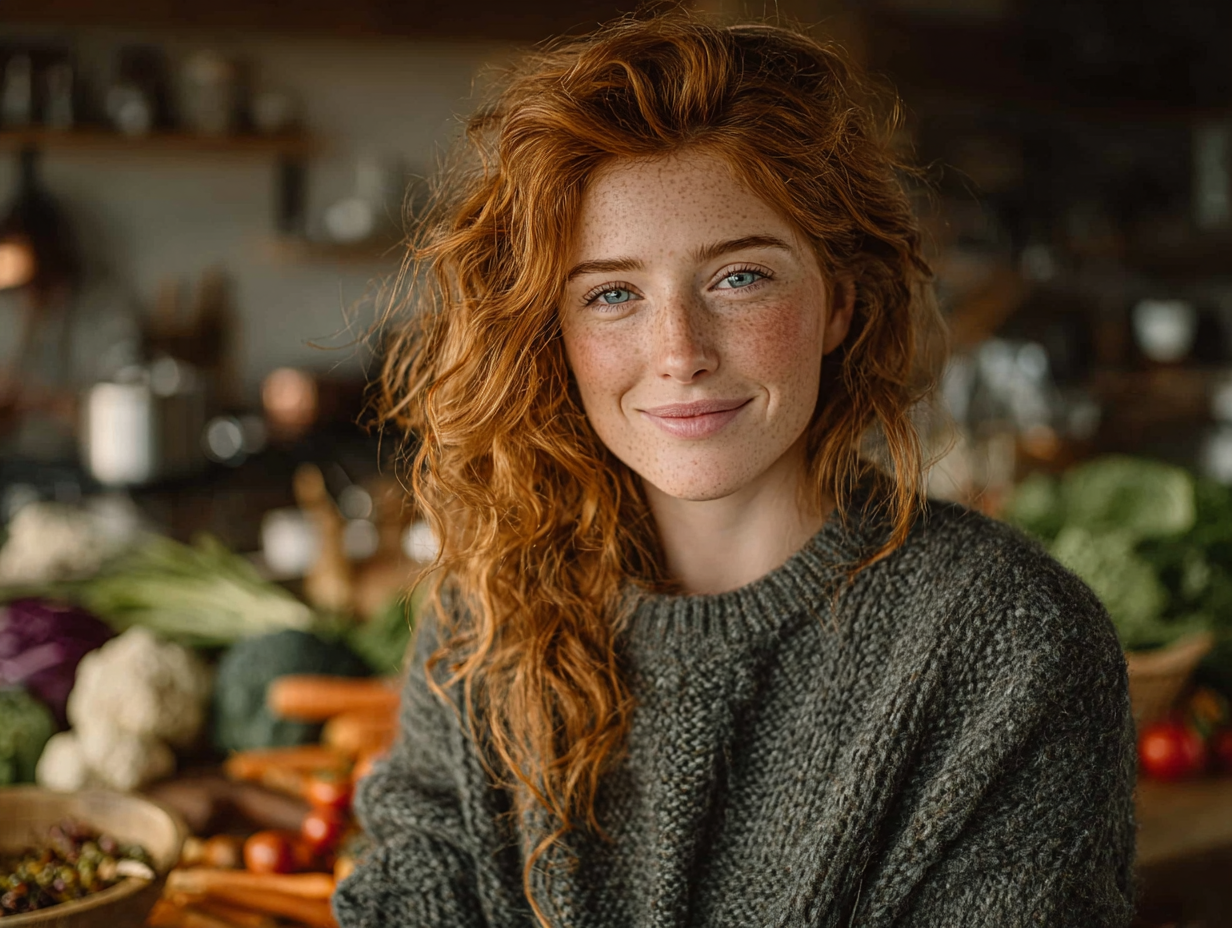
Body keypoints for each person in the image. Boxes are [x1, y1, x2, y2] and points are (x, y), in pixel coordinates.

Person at [334, 11, 1136, 928]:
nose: (679, 353)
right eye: (612, 294)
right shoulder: (489, 604)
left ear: (840, 300)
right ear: (553, 334)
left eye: (739, 277)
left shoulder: (1015, 645)